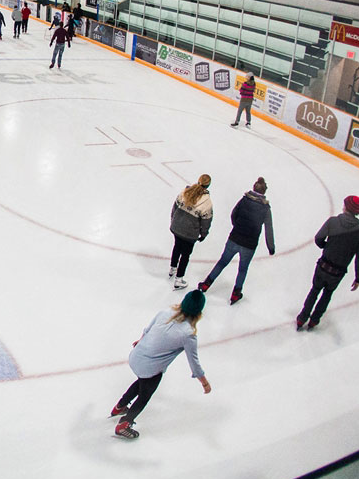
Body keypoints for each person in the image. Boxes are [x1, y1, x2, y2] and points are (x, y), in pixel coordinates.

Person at [110, 290, 211, 440]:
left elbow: (147, 330)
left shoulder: (166, 312)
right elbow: (194, 363)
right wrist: (205, 383)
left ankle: (119, 407)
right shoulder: (188, 334)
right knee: (145, 395)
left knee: (141, 382)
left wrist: (141, 342)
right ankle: (124, 424)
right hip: (149, 368)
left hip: (136, 356)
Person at [198, 177, 275, 304]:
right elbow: (269, 228)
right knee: (243, 269)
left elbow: (233, 214)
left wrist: (237, 226)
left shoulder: (244, 201)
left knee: (222, 262)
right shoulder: (265, 209)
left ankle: (206, 284)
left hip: (234, 238)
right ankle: (236, 294)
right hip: (249, 245)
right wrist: (271, 247)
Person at [297, 196, 359, 331]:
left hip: (324, 265)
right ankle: (314, 320)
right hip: (338, 272)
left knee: (314, 290)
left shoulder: (333, 221)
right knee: (327, 294)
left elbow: (318, 238)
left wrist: (326, 246)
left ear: (347, 207)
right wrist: (358, 277)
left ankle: (302, 318)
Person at [168, 174, 214, 289]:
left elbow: (175, 207)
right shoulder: (207, 202)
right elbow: (206, 221)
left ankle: (173, 268)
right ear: (208, 185)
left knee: (177, 246)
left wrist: (174, 221)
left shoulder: (186, 191)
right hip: (189, 233)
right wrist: (203, 234)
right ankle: (179, 279)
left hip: (177, 227)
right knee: (185, 255)